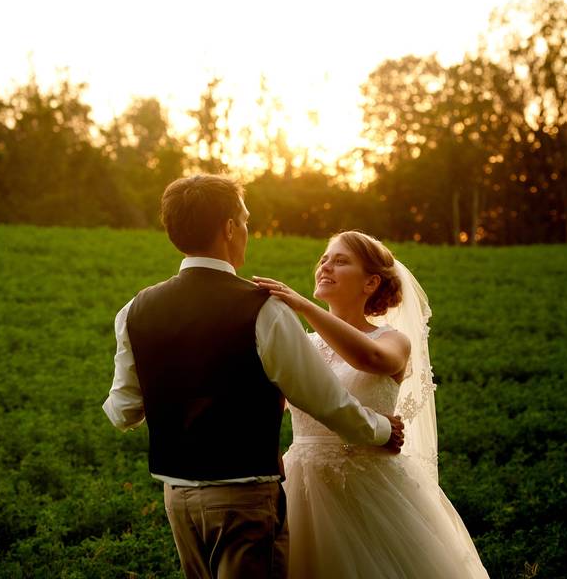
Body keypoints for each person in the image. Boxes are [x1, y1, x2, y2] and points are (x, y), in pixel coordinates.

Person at [102, 175, 404, 579]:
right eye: (244, 221)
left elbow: (123, 412)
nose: (246, 230)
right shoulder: (263, 310)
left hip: (176, 499)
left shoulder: (135, 309)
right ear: (229, 228)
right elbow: (324, 400)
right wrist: (382, 431)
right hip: (243, 500)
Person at [252, 230, 489, 578]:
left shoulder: (392, 340)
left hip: (369, 488)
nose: (325, 267)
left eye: (341, 261)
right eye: (324, 259)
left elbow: (369, 357)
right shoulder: (304, 344)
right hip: (300, 484)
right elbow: (274, 403)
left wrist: (302, 305)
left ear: (371, 283)